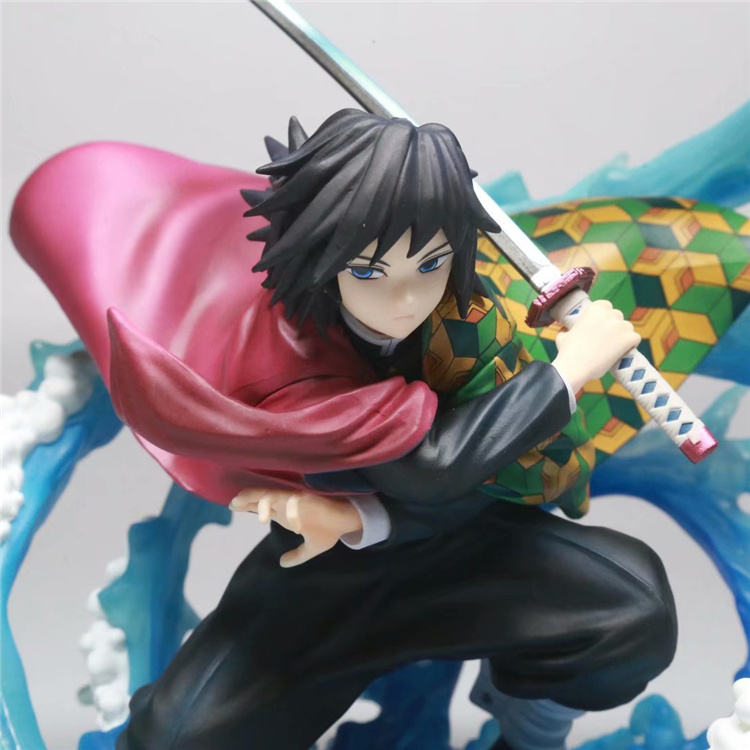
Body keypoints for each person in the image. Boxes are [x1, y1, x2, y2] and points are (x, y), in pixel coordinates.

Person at [111, 110, 676, 749]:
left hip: (468, 541)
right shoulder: (291, 350)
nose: (406, 298)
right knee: (175, 738)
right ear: (322, 257)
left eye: (430, 264)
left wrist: (366, 516)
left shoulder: (466, 310)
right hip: (330, 574)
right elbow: (430, 466)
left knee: (634, 608)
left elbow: (471, 473)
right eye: (369, 272)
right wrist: (570, 368)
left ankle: (525, 738)